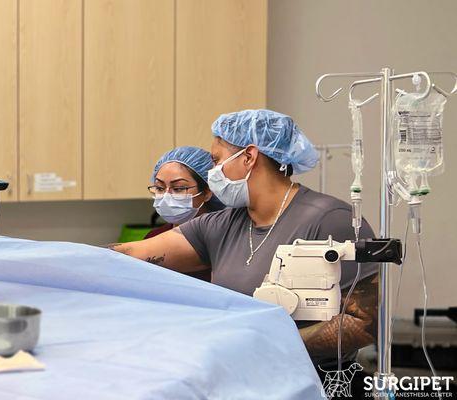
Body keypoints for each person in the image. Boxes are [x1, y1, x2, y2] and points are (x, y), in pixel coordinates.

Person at [108, 110, 378, 378]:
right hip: (243, 379)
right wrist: (70, 259)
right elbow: (131, 254)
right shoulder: (223, 224)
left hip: (313, 382)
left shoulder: (329, 220)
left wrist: (266, 341)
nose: (212, 171)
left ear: (248, 157)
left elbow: (366, 323)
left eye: (216, 160)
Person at [144, 146, 224, 281]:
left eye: (179, 188)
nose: (166, 196)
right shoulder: (154, 238)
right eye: (159, 188)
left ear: (207, 193)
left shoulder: (223, 240)